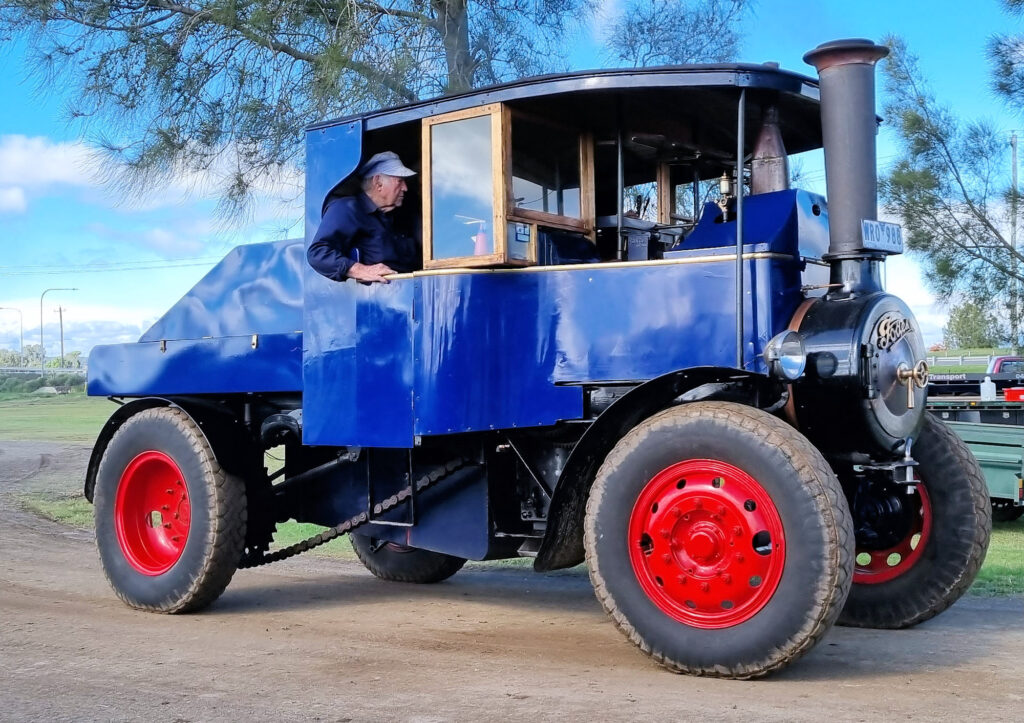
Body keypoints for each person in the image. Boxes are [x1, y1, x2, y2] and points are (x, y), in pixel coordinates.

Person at [308, 151, 419, 283]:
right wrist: (360, 270)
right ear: (378, 183)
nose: (405, 188)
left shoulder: (396, 217)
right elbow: (317, 253)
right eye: (400, 181)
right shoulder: (347, 208)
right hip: (376, 300)